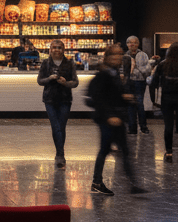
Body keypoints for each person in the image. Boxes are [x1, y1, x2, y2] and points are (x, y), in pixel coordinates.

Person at [88, 44, 145, 195]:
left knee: (122, 151)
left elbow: (109, 96)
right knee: (107, 150)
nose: (118, 58)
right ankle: (97, 182)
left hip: (116, 118)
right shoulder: (103, 75)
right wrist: (109, 116)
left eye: (120, 55)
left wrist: (124, 98)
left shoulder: (114, 73)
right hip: (108, 120)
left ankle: (132, 184)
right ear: (107, 57)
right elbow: (96, 98)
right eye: (115, 55)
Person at [37, 39, 79, 168]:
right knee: (56, 126)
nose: (56, 50)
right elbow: (39, 81)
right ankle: (60, 155)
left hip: (65, 99)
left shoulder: (70, 63)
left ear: (63, 50)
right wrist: (49, 79)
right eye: (54, 47)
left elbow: (75, 82)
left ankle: (59, 153)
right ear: (50, 49)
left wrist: (65, 83)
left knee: (61, 127)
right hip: (49, 99)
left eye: (59, 47)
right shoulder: (45, 63)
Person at [150, 42, 178, 162]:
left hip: (166, 99)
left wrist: (154, 98)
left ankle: (169, 153)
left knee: (168, 127)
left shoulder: (162, 66)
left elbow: (154, 83)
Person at [123, 36, 151, 134]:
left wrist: (135, 67)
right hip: (128, 83)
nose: (132, 44)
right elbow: (124, 71)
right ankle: (132, 128)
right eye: (130, 43)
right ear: (127, 44)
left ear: (138, 44)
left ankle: (143, 127)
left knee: (139, 104)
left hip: (139, 82)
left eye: (135, 43)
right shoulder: (125, 55)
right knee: (130, 105)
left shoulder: (143, 55)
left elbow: (147, 70)